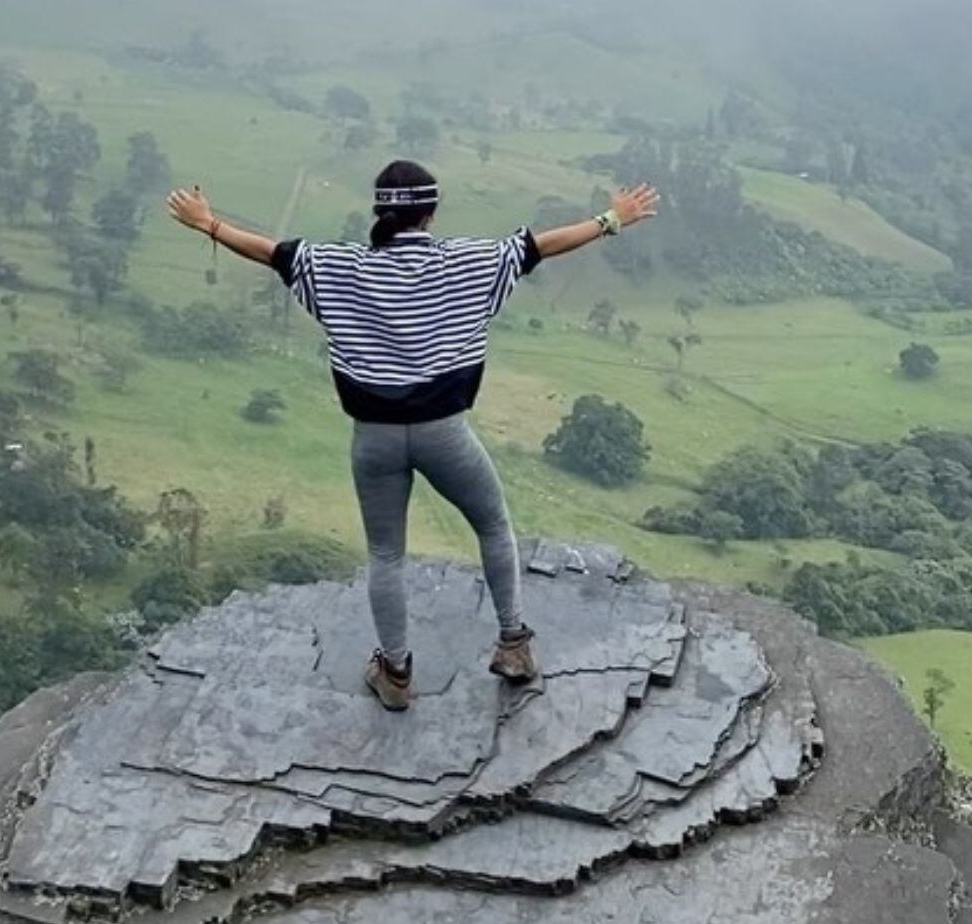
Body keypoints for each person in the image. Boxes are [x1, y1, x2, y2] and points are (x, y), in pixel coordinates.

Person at [166, 160, 660, 711]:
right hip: (445, 435)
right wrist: (614, 217)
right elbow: (541, 246)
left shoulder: (339, 267)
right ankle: (514, 647)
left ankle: (396, 675)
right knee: (494, 526)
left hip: (373, 439)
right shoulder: (469, 262)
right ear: (430, 212)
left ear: (380, 211)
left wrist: (207, 223)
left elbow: (271, 252)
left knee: (385, 554)